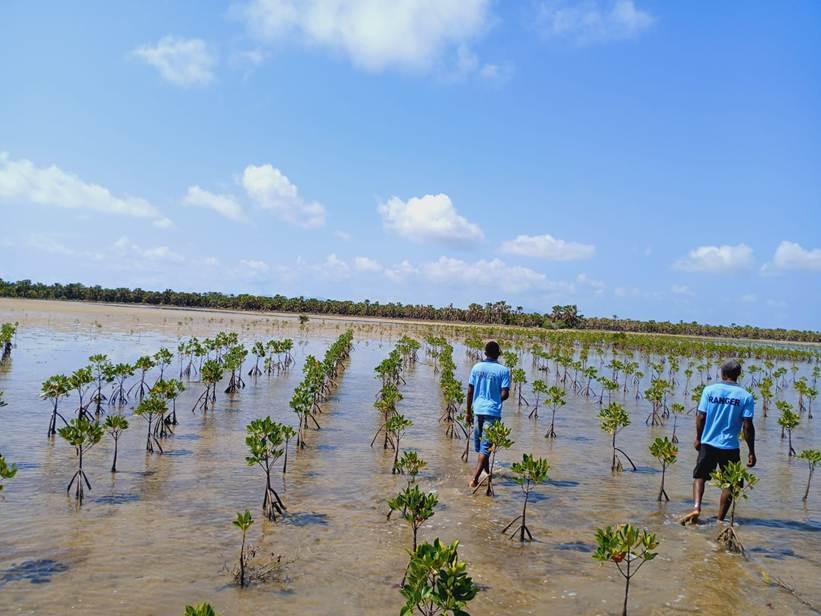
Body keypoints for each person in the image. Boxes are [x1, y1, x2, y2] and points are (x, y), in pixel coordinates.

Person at [680, 359, 756, 525]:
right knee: (731, 483)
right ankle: (720, 520)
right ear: (738, 375)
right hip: (730, 446)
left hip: (708, 443)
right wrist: (751, 451)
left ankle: (696, 507)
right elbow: (747, 426)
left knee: (700, 476)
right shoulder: (746, 396)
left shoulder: (709, 390)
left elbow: (701, 416)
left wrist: (698, 438)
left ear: (723, 374)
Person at [466, 340, 511, 489]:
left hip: (477, 410)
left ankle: (486, 473)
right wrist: (497, 399)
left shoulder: (476, 367)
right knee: (485, 448)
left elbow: (470, 391)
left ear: (485, 353)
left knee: (481, 447)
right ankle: (475, 480)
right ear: (499, 354)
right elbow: (505, 393)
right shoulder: (504, 370)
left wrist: (468, 412)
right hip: (492, 412)